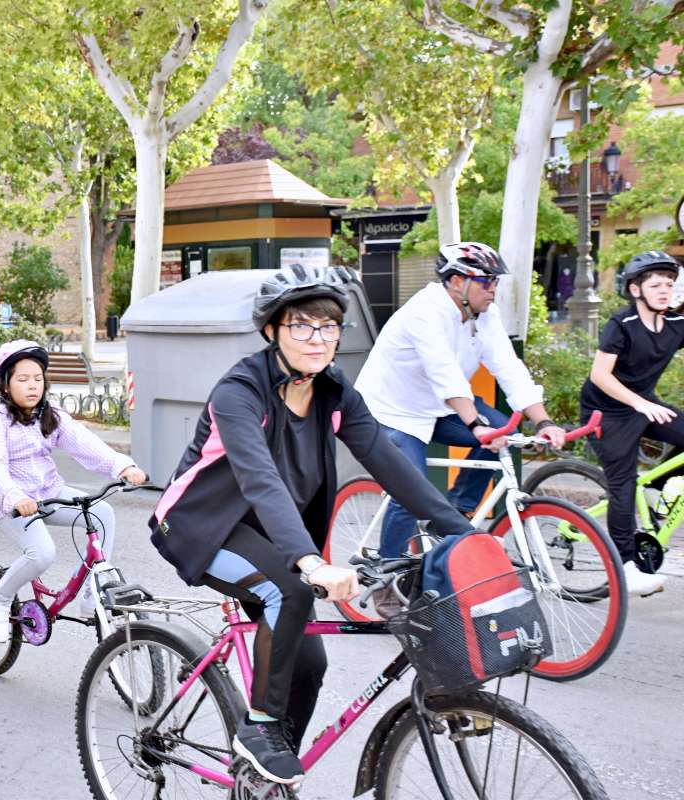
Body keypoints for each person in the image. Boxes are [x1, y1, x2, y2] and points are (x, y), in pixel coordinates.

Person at [148, 266, 475, 786]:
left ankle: (267, 778)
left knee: (310, 664)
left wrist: (464, 533)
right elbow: (260, 481)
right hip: (199, 527)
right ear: (272, 331)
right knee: (289, 593)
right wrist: (310, 561)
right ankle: (259, 731)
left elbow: (388, 462)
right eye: (301, 326)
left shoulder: (332, 390)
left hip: (270, 535)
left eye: (328, 327)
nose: (317, 339)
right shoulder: (240, 392)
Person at [355, 242, 566, 569]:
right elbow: (445, 376)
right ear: (456, 281)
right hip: (392, 412)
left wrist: (544, 422)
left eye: (496, 281)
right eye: (486, 280)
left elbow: (509, 370)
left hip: (439, 409)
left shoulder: (485, 315)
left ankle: (453, 514)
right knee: (410, 491)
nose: (493, 288)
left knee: (503, 434)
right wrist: (475, 425)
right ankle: (386, 568)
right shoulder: (424, 312)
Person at [0, 339, 147, 643]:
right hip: (9, 502)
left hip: (48, 492)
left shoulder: (49, 412)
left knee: (102, 513)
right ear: (5, 384)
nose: (32, 386)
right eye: (23, 379)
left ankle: (89, 595)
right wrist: (15, 496)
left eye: (38, 379)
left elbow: (85, 443)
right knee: (42, 553)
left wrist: (121, 467)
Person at [579, 251, 684, 596]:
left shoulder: (674, 325)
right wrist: (640, 403)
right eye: (656, 285)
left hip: (643, 405)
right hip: (605, 412)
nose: (665, 290)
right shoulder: (622, 325)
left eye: (669, 283)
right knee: (621, 486)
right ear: (636, 289)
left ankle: (657, 489)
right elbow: (600, 375)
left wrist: (644, 404)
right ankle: (625, 567)